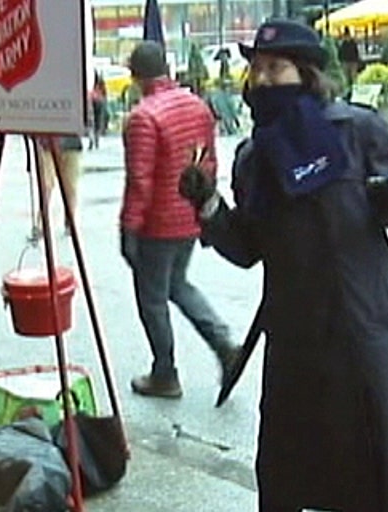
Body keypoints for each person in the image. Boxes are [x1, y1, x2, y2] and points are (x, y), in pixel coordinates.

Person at [178, 20, 388, 512]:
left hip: (366, 329)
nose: (262, 80)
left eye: (275, 68)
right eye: (257, 70)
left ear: (306, 73)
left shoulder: (358, 130)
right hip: (297, 342)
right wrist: (208, 206)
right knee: (299, 470)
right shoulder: (253, 157)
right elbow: (248, 248)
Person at [119, 41, 238, 399]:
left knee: (152, 298)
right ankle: (224, 344)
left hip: (157, 224)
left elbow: (140, 180)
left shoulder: (143, 117)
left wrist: (128, 228)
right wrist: (204, 212)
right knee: (178, 284)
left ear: (136, 75)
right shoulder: (197, 106)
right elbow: (209, 163)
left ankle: (164, 373)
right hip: (189, 216)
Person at [33, 135, 83, 239]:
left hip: (71, 145)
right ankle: (41, 223)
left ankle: (70, 222)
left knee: (70, 187)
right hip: (47, 145)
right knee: (46, 186)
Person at [88, 71, 108, 149]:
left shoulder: (88, 81)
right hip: (100, 101)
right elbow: (104, 92)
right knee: (98, 121)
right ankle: (96, 139)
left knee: (91, 121)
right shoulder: (101, 82)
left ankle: (91, 138)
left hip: (91, 99)